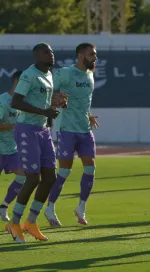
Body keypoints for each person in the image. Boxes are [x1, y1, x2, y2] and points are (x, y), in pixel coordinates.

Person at [6, 43, 67, 243]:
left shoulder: (49, 75)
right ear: (36, 56)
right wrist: (44, 112)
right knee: (33, 179)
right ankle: (14, 223)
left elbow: (42, 103)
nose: (51, 54)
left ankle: (30, 222)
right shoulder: (28, 75)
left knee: (50, 177)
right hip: (26, 130)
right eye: (46, 52)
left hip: (43, 130)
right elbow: (16, 102)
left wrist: (55, 104)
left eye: (51, 51)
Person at [44, 43, 99, 227]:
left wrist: (89, 115)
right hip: (67, 129)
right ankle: (50, 207)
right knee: (64, 171)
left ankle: (81, 207)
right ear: (81, 55)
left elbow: (83, 100)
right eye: (92, 54)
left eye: (95, 54)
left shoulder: (90, 74)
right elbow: (46, 92)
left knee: (90, 168)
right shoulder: (66, 73)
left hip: (85, 129)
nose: (95, 57)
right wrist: (56, 100)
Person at [0, 71, 26, 222]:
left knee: (22, 177)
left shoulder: (23, 102)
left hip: (13, 149)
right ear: (17, 81)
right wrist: (14, 126)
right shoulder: (3, 101)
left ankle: (4, 206)